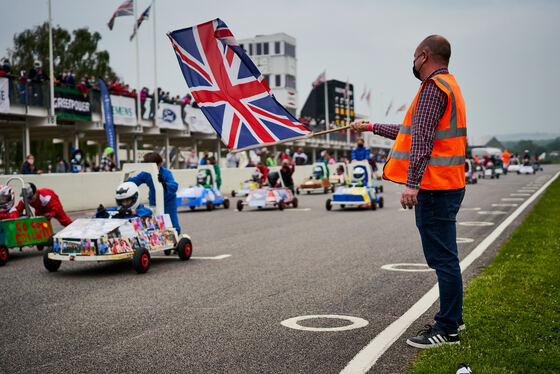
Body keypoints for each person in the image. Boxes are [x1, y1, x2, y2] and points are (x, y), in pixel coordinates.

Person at [350, 35, 466, 348]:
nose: (413, 64)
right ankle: (454, 318)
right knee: (446, 257)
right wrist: (371, 127)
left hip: (434, 186)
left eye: (414, 58)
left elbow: (422, 140)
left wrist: (411, 183)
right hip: (449, 183)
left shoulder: (431, 89)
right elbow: (411, 132)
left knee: (442, 259)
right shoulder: (449, 85)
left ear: (424, 56)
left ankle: (448, 329)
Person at [128, 151, 181, 234]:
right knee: (154, 222)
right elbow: (135, 181)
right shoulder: (145, 174)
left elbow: (174, 186)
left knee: (172, 223)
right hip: (154, 201)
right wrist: (125, 179)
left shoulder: (167, 173)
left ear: (160, 164)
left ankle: (177, 238)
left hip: (169, 201)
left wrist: (164, 183)